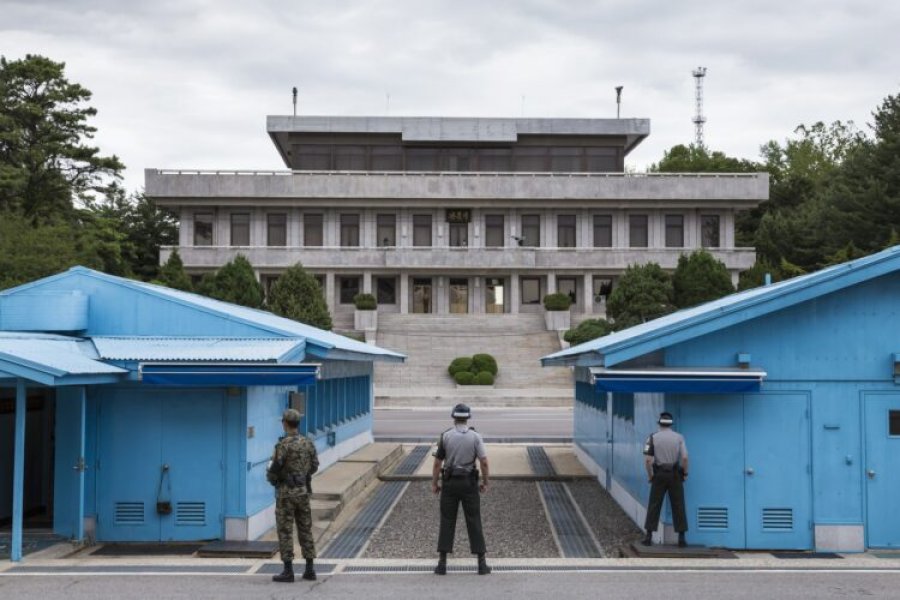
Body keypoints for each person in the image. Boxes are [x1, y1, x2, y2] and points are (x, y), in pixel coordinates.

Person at [432, 403, 491, 575]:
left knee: (447, 520)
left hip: (450, 483)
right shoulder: (475, 437)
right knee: (474, 520)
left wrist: (435, 483)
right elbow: (484, 462)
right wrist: (485, 482)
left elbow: (437, 464)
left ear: (453, 417)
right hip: (469, 483)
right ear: (468, 418)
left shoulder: (445, 436)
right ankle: (481, 564)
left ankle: (442, 564)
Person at [267, 408, 319, 583]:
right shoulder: (308, 443)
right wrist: (302, 475)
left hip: (286, 494)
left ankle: (288, 571)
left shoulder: (282, 445)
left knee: (285, 530)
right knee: (305, 528)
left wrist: (273, 480)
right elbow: (314, 465)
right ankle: (310, 569)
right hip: (303, 492)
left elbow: (274, 468)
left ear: (285, 423)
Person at [642, 411, 689, 547]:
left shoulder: (652, 437)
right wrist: (685, 473)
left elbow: (648, 461)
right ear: (671, 424)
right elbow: (685, 458)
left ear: (659, 424)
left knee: (654, 504)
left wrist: (651, 476)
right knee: (678, 504)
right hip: (675, 474)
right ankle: (681, 538)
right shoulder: (679, 437)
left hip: (659, 474)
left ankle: (648, 536)